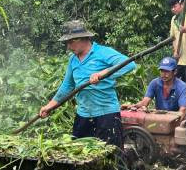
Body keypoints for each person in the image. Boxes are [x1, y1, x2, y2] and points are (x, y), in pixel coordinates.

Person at [39, 19, 136, 148]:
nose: (68, 47)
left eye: (70, 42)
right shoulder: (73, 60)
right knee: (79, 156)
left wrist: (102, 73)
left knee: (111, 157)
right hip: (83, 116)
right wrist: (49, 106)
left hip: (106, 116)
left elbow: (130, 64)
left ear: (81, 39)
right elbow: (67, 86)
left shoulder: (102, 52)